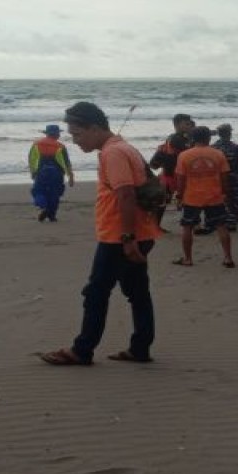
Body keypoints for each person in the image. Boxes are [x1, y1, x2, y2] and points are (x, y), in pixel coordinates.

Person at [41, 101, 162, 366]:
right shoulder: (123, 147)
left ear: (94, 128)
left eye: (77, 134)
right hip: (138, 232)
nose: (75, 141)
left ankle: (82, 350)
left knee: (96, 293)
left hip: (119, 237)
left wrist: (127, 239)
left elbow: (126, 194)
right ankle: (140, 348)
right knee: (137, 293)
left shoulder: (113, 153)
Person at [174, 126, 234, 268]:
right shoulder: (218, 154)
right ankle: (228, 257)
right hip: (214, 196)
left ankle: (188, 258)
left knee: (187, 227)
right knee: (221, 226)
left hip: (192, 197)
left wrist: (179, 195)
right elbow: (224, 177)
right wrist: (226, 193)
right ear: (209, 138)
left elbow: (181, 179)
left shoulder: (184, 155)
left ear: (193, 138)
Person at [200, 123, 238, 234]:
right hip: (233, 178)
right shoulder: (236, 148)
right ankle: (231, 223)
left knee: (213, 201)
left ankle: (211, 222)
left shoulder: (212, 148)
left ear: (219, 134)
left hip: (215, 179)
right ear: (229, 133)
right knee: (235, 201)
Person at [149, 113, 195, 228]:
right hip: (172, 175)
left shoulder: (176, 137)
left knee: (164, 201)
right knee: (165, 201)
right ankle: (155, 225)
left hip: (170, 173)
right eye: (186, 124)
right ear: (177, 125)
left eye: (189, 124)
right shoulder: (177, 139)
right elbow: (190, 151)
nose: (189, 126)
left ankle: (155, 225)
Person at [28, 124, 75, 222]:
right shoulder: (60, 146)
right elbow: (67, 163)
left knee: (38, 191)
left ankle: (43, 206)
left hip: (41, 172)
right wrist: (70, 176)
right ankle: (51, 215)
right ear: (57, 135)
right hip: (57, 174)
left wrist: (33, 171)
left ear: (47, 134)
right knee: (55, 194)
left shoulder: (36, 144)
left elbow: (31, 159)